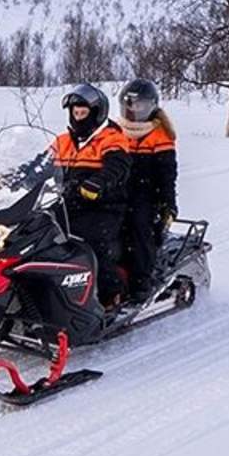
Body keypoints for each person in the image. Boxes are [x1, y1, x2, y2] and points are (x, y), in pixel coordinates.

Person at [51, 83, 132, 307]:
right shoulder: (62, 141)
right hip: (68, 203)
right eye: (75, 113)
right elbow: (38, 164)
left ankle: (111, 295)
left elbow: (117, 166)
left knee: (88, 242)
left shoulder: (111, 138)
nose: (78, 118)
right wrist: (14, 176)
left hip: (103, 206)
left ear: (96, 113)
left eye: (83, 113)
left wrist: (99, 181)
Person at [113, 79, 177, 300]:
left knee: (140, 229)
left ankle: (142, 282)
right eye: (129, 104)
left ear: (151, 106)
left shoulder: (159, 135)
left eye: (139, 105)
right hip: (117, 193)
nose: (133, 109)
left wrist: (168, 203)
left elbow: (167, 173)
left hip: (146, 195)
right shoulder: (116, 131)